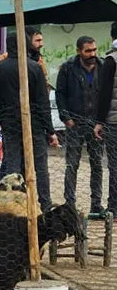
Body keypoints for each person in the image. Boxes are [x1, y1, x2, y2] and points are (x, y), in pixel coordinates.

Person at [0, 31, 59, 212]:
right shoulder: (34, 68)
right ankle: (45, 205)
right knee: (40, 167)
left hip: (10, 125)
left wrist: (3, 119)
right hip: (34, 125)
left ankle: (14, 205)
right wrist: (50, 130)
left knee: (13, 165)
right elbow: (43, 102)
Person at [56, 36, 103, 215]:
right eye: (88, 51)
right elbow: (60, 94)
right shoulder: (68, 68)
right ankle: (70, 204)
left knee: (97, 164)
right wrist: (66, 118)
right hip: (75, 123)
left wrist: (101, 120)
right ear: (79, 51)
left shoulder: (103, 67)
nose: (92, 54)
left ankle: (96, 204)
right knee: (72, 164)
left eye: (94, 50)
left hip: (96, 124)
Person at [94, 21, 117, 216]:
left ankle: (114, 207)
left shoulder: (111, 60)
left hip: (113, 121)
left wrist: (99, 122)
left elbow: (105, 94)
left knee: (115, 165)